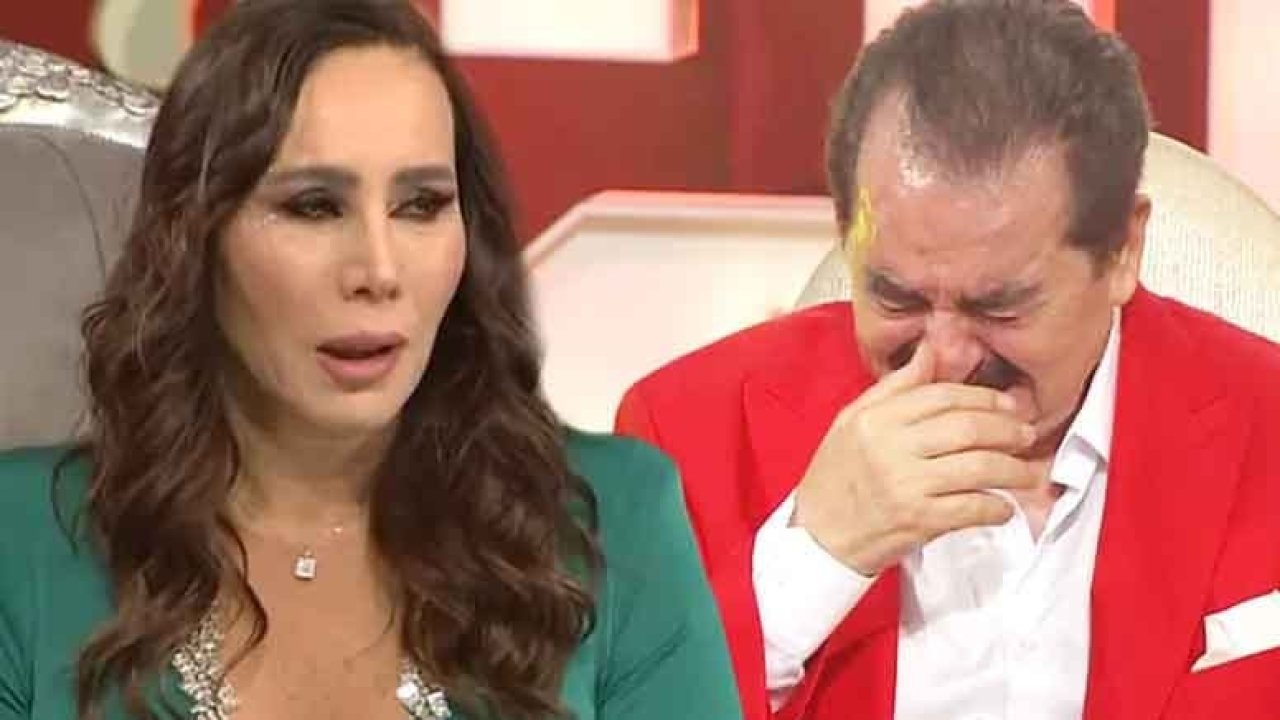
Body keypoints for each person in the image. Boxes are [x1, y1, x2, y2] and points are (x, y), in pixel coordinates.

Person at [0, 1, 743, 719]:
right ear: (195, 239)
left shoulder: (615, 518)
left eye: (421, 205)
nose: (379, 271)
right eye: (314, 206)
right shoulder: (20, 539)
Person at [616, 1, 1280, 719]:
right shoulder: (684, 437)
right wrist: (812, 560)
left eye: (999, 308)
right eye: (896, 296)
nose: (947, 357)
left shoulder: (1265, 422)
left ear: (1122, 250)